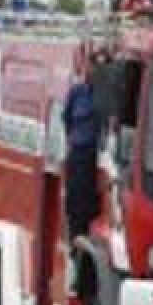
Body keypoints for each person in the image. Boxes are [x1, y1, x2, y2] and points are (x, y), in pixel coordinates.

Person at [61, 69, 103, 240]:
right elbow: (66, 117)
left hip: (96, 153)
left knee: (89, 201)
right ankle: (75, 236)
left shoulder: (105, 94)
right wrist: (73, 138)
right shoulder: (77, 92)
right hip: (79, 152)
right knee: (76, 198)